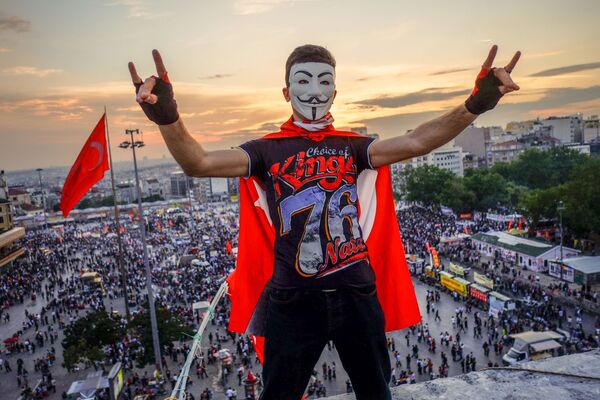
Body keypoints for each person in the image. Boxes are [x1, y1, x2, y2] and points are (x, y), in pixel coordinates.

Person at [129, 44, 520, 399]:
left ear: (335, 91)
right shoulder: (266, 150)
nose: (314, 90)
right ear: (286, 92)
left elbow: (417, 141)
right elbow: (198, 163)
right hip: (293, 300)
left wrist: (476, 105)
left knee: (376, 392)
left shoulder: (354, 146)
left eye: (324, 81)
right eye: (303, 81)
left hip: (356, 294)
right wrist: (167, 117)